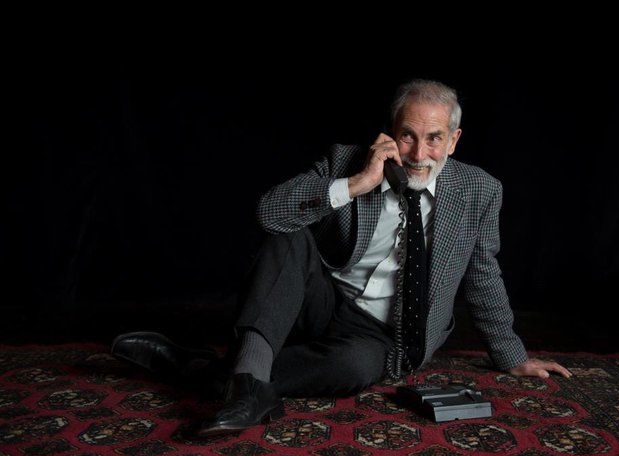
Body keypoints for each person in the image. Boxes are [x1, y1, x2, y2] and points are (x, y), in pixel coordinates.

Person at [111, 78, 571, 437]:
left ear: (453, 140)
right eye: (407, 136)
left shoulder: (480, 192)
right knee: (288, 235)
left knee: (354, 369)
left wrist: (511, 355)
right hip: (324, 301)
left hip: (383, 336)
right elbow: (269, 214)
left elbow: (483, 274)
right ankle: (248, 389)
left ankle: (203, 371)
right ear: (391, 133)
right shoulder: (348, 161)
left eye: (434, 139)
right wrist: (356, 185)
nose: (419, 153)